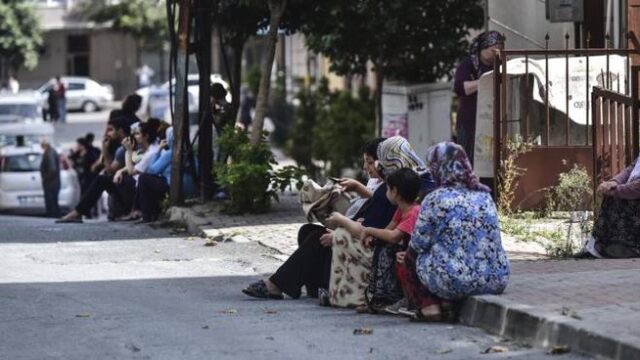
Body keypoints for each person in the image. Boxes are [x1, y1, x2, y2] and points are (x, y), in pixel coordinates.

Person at [241, 138, 391, 300]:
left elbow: (375, 226)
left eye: (370, 163)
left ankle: (276, 285)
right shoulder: (381, 186)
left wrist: (341, 232)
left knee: (317, 239)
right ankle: (316, 287)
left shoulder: (393, 190)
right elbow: (372, 207)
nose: (366, 167)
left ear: (383, 162)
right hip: (359, 234)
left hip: (368, 247)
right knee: (307, 231)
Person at [398, 142, 510, 321]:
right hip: (496, 278)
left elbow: (418, 244)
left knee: (411, 257)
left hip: (454, 280)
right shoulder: (485, 195)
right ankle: (448, 303)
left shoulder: (435, 198)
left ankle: (430, 308)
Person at [324, 136, 434, 308]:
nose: (379, 167)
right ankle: (364, 297)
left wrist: (367, 231)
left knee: (345, 238)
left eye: (379, 162)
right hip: (395, 245)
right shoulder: (404, 193)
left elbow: (393, 235)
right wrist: (371, 233)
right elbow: (388, 225)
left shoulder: (412, 196)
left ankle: (370, 298)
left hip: (411, 252)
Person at [356, 168, 422, 313]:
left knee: (387, 251)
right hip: (405, 251)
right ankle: (376, 297)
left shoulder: (413, 212)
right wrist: (374, 238)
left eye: (388, 188)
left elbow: (394, 236)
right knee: (382, 247)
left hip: (414, 255)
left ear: (395, 192)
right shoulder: (401, 209)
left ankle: (392, 298)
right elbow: (389, 228)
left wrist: (368, 230)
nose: (386, 192)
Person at [57, 118, 133, 223]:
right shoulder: (121, 146)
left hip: (131, 190)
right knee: (103, 179)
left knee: (102, 180)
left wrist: (104, 148)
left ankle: (77, 213)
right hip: (128, 189)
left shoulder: (124, 148)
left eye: (111, 130)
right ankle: (78, 212)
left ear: (120, 130)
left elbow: (110, 170)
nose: (108, 133)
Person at [453, 31, 504, 165]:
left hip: (494, 121)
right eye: (493, 50)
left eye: (499, 50)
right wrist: (484, 81)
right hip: (470, 122)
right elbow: (460, 88)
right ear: (483, 48)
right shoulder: (469, 64)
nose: (496, 53)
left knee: (492, 162)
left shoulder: (501, 64)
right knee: (470, 161)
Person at [577, 156, 640, 258]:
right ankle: (597, 247)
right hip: (632, 193)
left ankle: (629, 247)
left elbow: (637, 188)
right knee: (610, 196)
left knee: (615, 197)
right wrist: (612, 183)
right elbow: (628, 171)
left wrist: (616, 190)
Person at [113, 122, 160, 221]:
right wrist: (120, 171)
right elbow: (135, 166)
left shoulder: (152, 152)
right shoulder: (145, 149)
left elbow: (131, 171)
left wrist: (128, 151)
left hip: (144, 182)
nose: (134, 136)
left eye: (137, 134)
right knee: (111, 178)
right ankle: (130, 211)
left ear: (146, 136)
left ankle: (134, 211)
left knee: (123, 180)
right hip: (139, 179)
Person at [138, 127, 174, 222]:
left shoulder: (170, 153)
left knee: (143, 178)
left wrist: (159, 150)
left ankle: (146, 216)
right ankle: (154, 212)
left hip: (171, 186)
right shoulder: (187, 151)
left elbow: (151, 170)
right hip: (188, 188)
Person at [40, 139, 61, 218]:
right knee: (54, 200)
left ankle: (52, 215)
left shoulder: (49, 153)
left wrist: (45, 177)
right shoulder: (51, 151)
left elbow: (52, 168)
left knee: (51, 200)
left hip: (51, 182)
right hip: (54, 181)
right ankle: (54, 214)